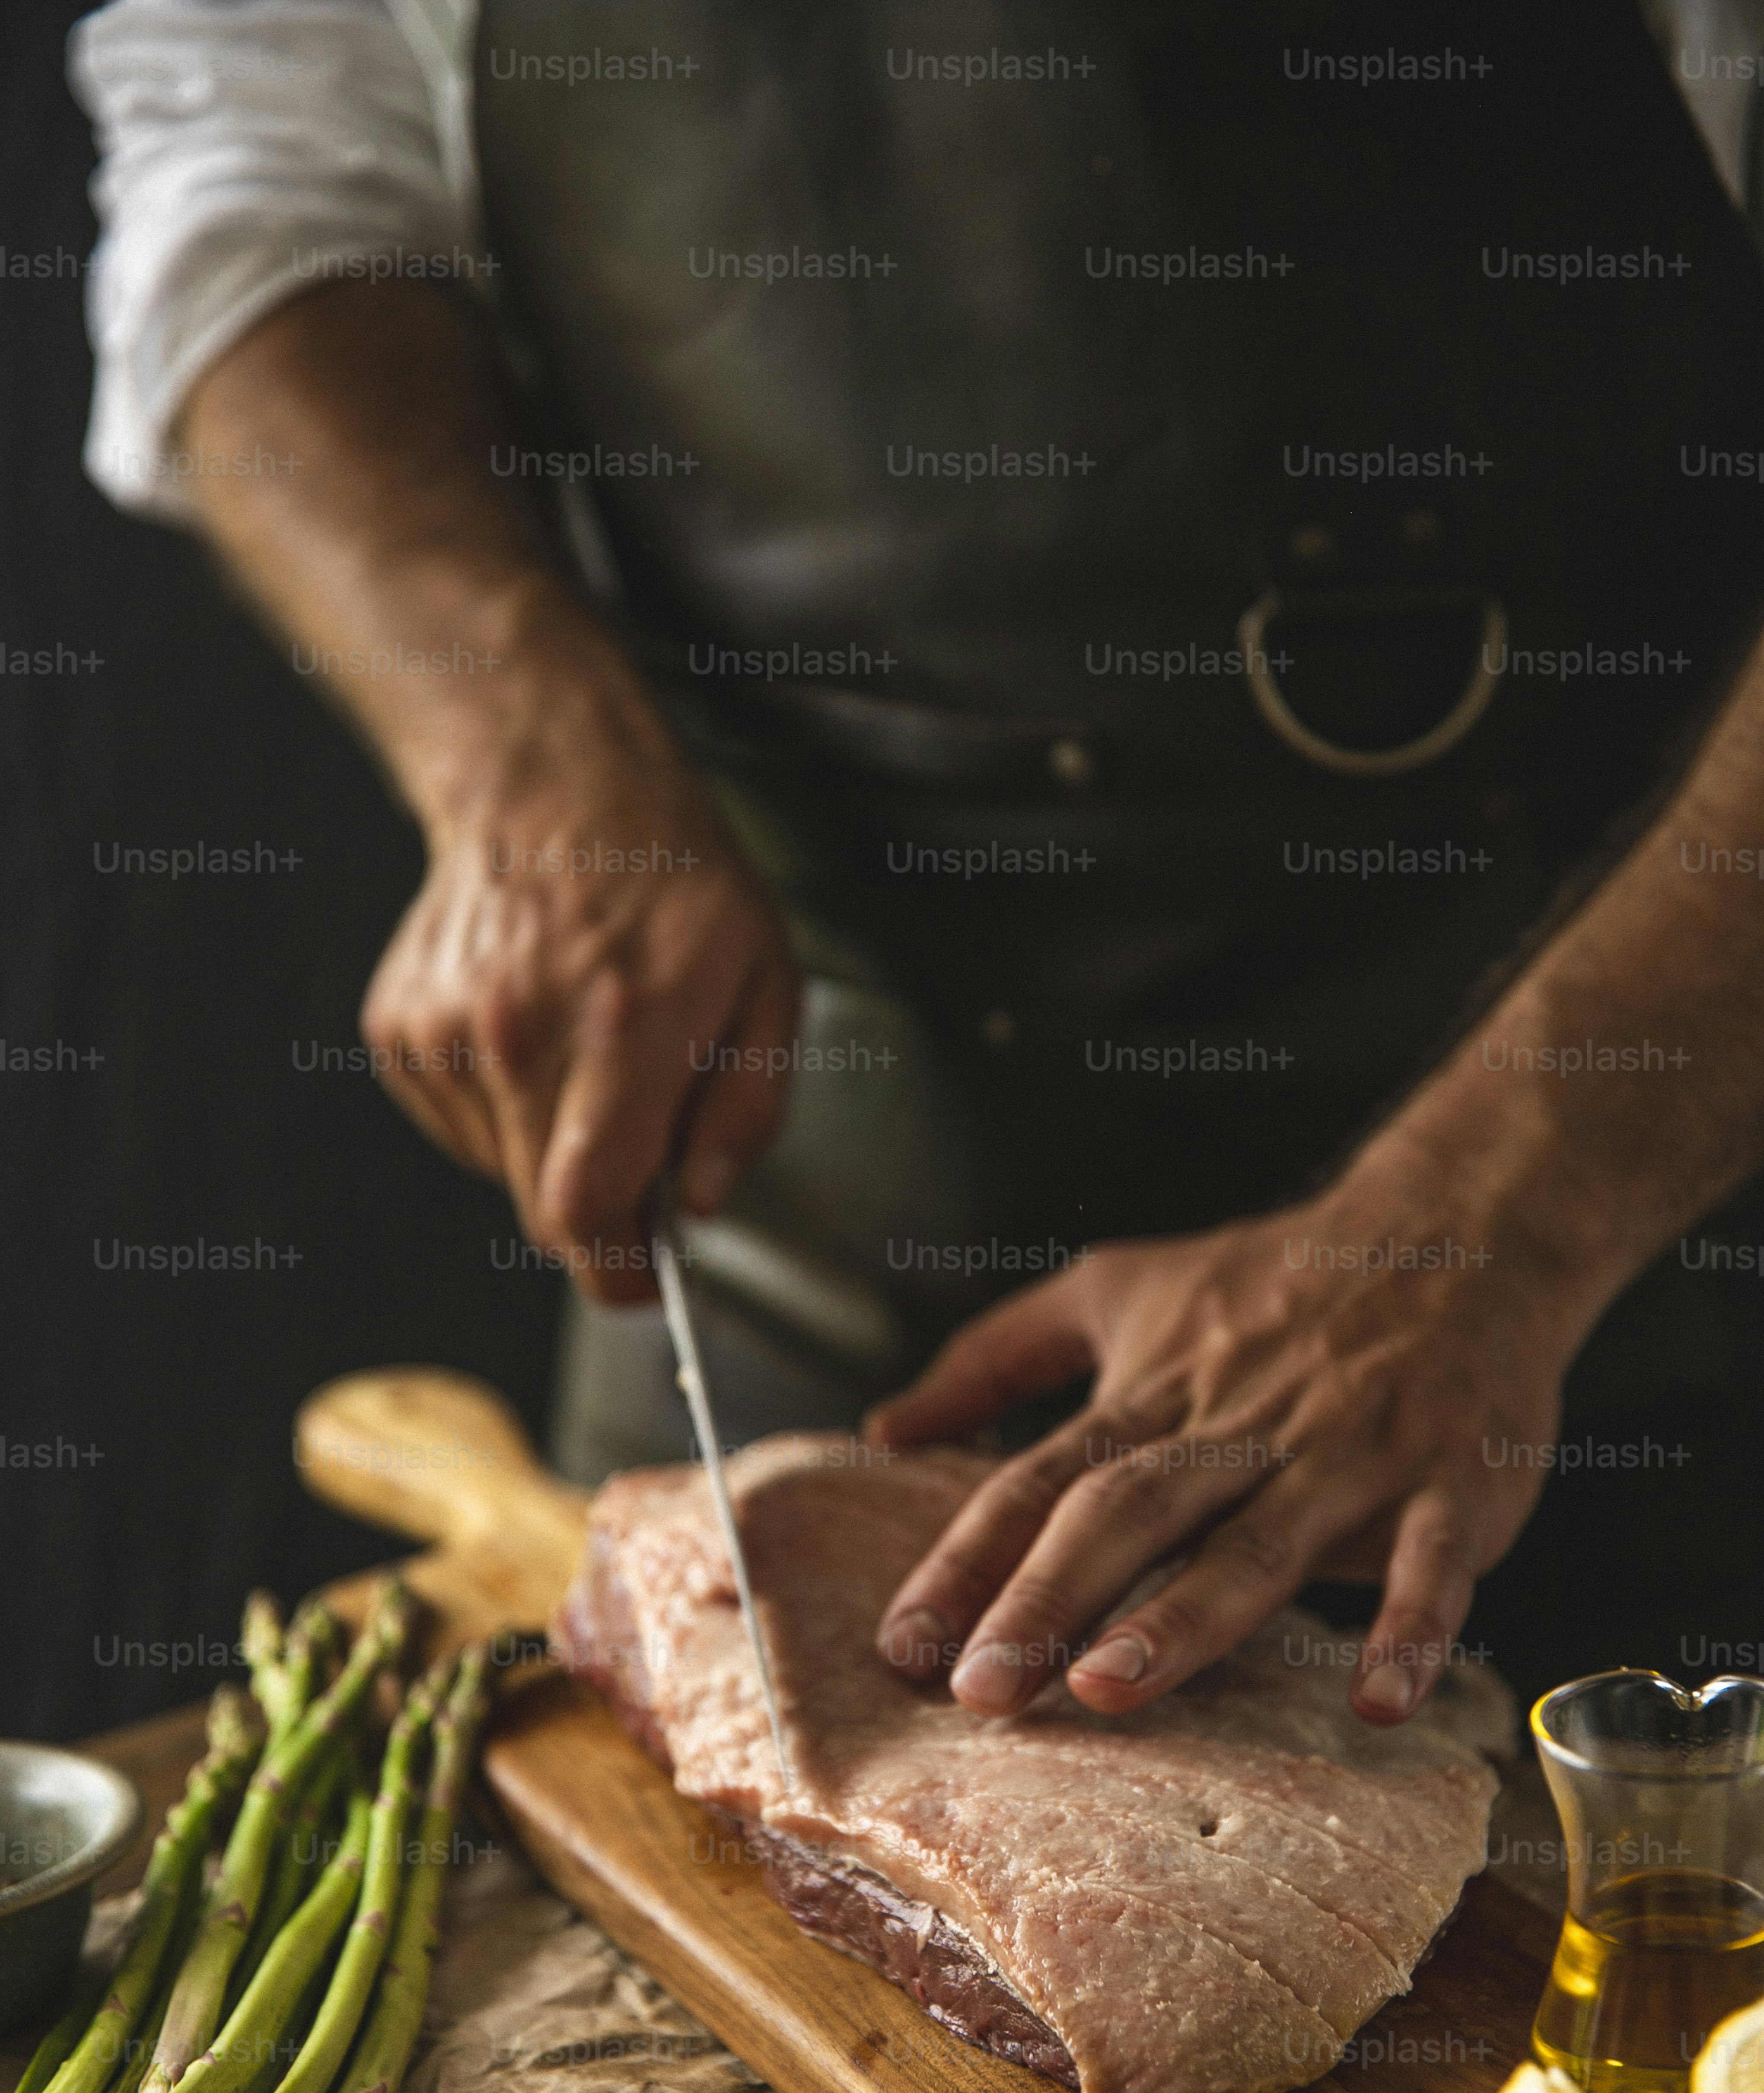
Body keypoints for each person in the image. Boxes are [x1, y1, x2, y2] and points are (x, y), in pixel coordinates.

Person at [72, 0, 1764, 1730]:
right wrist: (518, 748)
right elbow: (259, 167)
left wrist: (1498, 1216)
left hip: (1636, 1270)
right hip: (786, 1254)